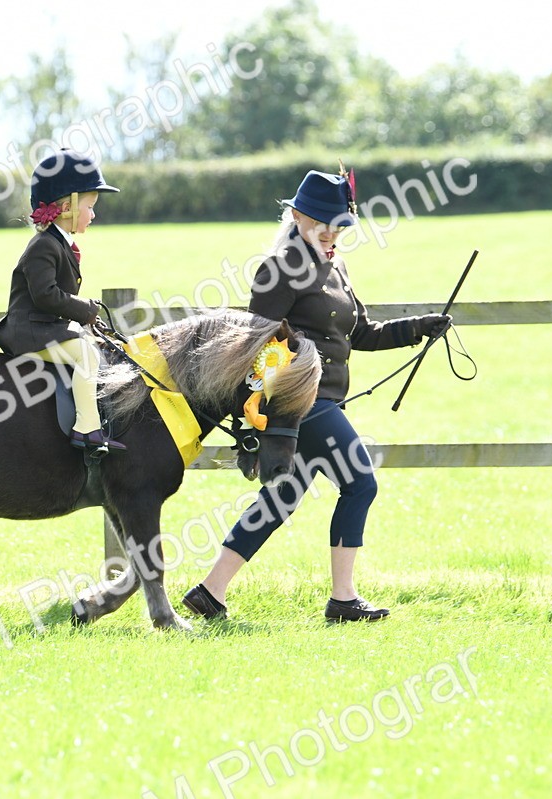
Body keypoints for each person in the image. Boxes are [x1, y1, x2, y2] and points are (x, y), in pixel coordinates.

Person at [181, 167, 451, 622]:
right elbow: (256, 343)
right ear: (298, 218)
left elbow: (360, 333)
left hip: (327, 401)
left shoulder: (334, 265)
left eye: (340, 227)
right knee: (360, 482)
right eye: (324, 227)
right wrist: (254, 419)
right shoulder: (278, 268)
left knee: (282, 497)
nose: (333, 236)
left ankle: (210, 592)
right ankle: (343, 599)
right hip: (301, 403)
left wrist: (419, 328)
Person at [0, 150, 126, 452]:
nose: (93, 215)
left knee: (94, 347)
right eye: (90, 207)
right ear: (67, 207)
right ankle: (87, 428)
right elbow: (45, 295)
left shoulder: (58, 243)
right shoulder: (43, 246)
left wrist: (86, 317)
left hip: (45, 328)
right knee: (86, 355)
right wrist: (84, 310)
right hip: (29, 332)